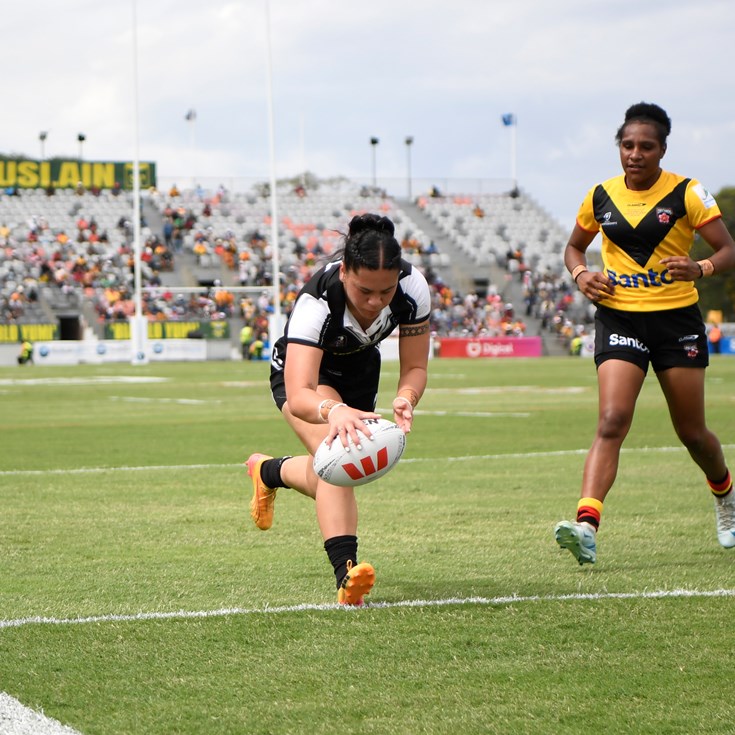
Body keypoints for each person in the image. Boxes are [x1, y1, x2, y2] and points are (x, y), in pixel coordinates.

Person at [554, 102, 735, 565]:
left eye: (645, 146)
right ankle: (586, 526)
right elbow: (574, 247)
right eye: (627, 145)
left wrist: (701, 266)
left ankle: (725, 497)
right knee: (612, 420)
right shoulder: (600, 195)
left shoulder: (688, 193)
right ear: (619, 147)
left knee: (692, 433)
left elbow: (727, 248)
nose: (635, 154)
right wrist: (580, 275)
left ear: (662, 150)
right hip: (620, 318)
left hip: (677, 324)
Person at [246, 213, 431, 604]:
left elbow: (415, 366)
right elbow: (300, 393)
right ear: (345, 271)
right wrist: (334, 410)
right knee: (340, 458)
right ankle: (347, 577)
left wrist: (406, 397)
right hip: (307, 378)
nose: (375, 302)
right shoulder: (316, 302)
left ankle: (269, 470)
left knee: (333, 468)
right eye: (365, 291)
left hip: (361, 369)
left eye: (385, 292)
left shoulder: (414, 289)